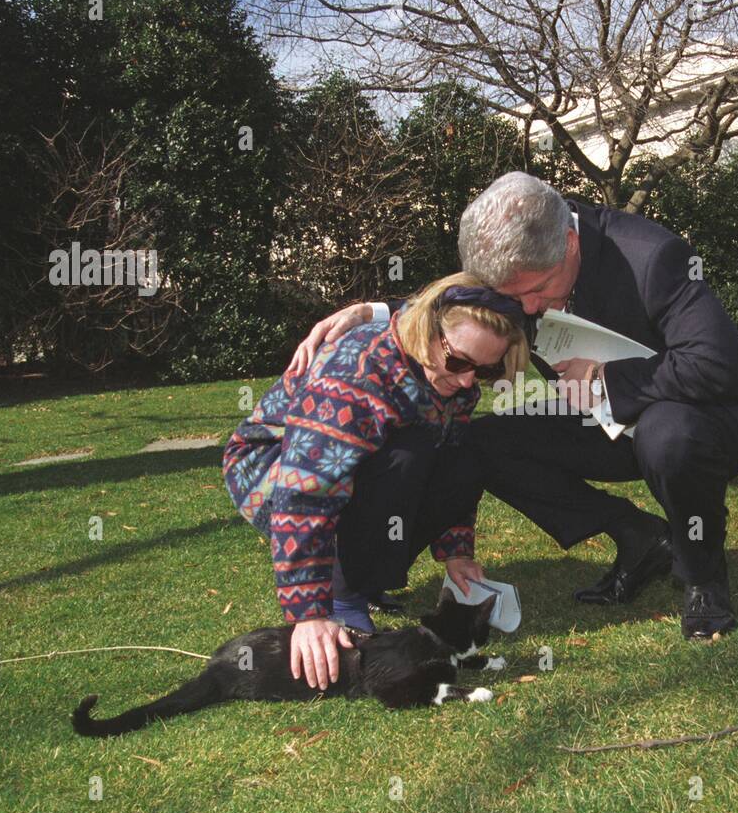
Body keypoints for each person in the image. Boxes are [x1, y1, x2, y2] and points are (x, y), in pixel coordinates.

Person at [287, 172, 738, 640]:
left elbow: (718, 364)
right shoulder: (520, 270)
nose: (524, 310)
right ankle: (639, 537)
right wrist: (371, 311)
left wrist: (605, 378)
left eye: (539, 291)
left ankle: (702, 575)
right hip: (606, 419)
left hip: (710, 416)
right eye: (511, 295)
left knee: (667, 435)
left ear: (569, 242)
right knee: (482, 443)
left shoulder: (652, 256)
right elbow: (459, 309)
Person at [224, 273, 528, 689]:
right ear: (429, 331)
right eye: (459, 362)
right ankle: (342, 592)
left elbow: (453, 463)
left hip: (361, 468)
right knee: (406, 455)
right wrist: (309, 612)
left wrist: (456, 550)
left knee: (466, 449)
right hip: (276, 475)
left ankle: (363, 575)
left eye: (486, 369)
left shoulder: (454, 376)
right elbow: (306, 491)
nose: (468, 380)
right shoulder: (352, 376)